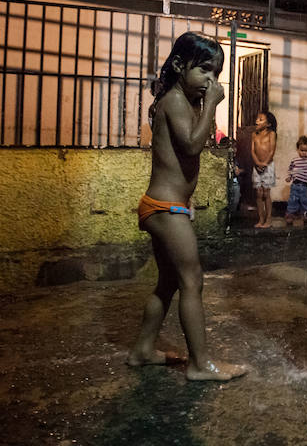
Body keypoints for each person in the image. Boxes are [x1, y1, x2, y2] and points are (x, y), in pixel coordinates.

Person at [129, 31, 248, 381]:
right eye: (205, 71)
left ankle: (142, 350)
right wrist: (213, 104)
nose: (211, 81)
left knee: (168, 282)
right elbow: (193, 146)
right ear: (180, 65)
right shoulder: (176, 102)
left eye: (216, 74)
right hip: (167, 209)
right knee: (192, 279)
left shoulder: (182, 100)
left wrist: (205, 103)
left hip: (168, 206)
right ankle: (200, 365)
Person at [251, 111, 277, 228]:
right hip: (257, 166)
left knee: (266, 192)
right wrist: (257, 163)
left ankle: (268, 219)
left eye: (261, 119)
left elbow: (272, 151)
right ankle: (261, 219)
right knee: (258, 193)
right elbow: (252, 150)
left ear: (268, 124)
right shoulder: (254, 134)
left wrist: (265, 163)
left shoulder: (271, 134)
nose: (257, 121)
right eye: (257, 119)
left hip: (268, 166)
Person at [285, 135, 307, 223]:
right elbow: (291, 170)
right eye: (302, 150)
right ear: (298, 149)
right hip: (295, 184)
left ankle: (305, 215)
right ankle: (290, 215)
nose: (304, 153)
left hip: (306, 185)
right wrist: (289, 177)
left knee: (305, 201)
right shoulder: (295, 160)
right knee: (292, 200)